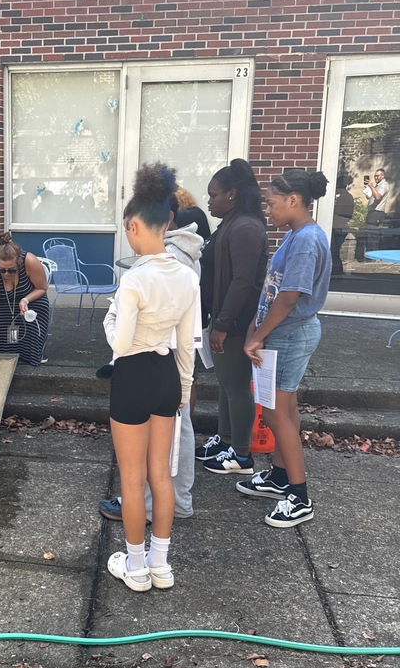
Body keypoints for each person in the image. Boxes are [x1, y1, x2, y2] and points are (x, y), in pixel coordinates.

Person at [102, 165, 199, 593]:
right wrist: (185, 390)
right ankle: (162, 565)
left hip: (133, 375)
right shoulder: (188, 276)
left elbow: (120, 346)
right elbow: (187, 343)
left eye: (128, 229)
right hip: (167, 377)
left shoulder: (134, 279)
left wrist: (111, 316)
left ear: (135, 226)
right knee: (162, 474)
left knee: (131, 477)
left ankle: (136, 566)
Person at [238, 169, 331, 528]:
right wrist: (256, 327)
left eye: (272, 203)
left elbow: (291, 296)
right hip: (284, 333)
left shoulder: (307, 239)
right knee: (285, 407)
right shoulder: (298, 235)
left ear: (293, 200)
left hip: (289, 335)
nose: (268, 210)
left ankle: (299, 495)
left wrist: (257, 335)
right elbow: (276, 290)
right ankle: (279, 475)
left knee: (275, 412)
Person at [197, 159, 268, 476]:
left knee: (237, 387)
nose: (209, 200)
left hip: (236, 323)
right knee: (226, 385)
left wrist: (223, 326)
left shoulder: (246, 228)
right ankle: (226, 441)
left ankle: (241, 454)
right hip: (222, 318)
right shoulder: (230, 223)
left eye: (214, 195)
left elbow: (243, 282)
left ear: (232, 193)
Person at [0, 232, 50, 367]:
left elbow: (42, 288)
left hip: (28, 296)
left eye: (11, 270)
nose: (6, 274)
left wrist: (25, 300)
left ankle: (33, 351)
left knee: (40, 306)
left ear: (19, 263)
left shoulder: (30, 261)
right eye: (2, 270)